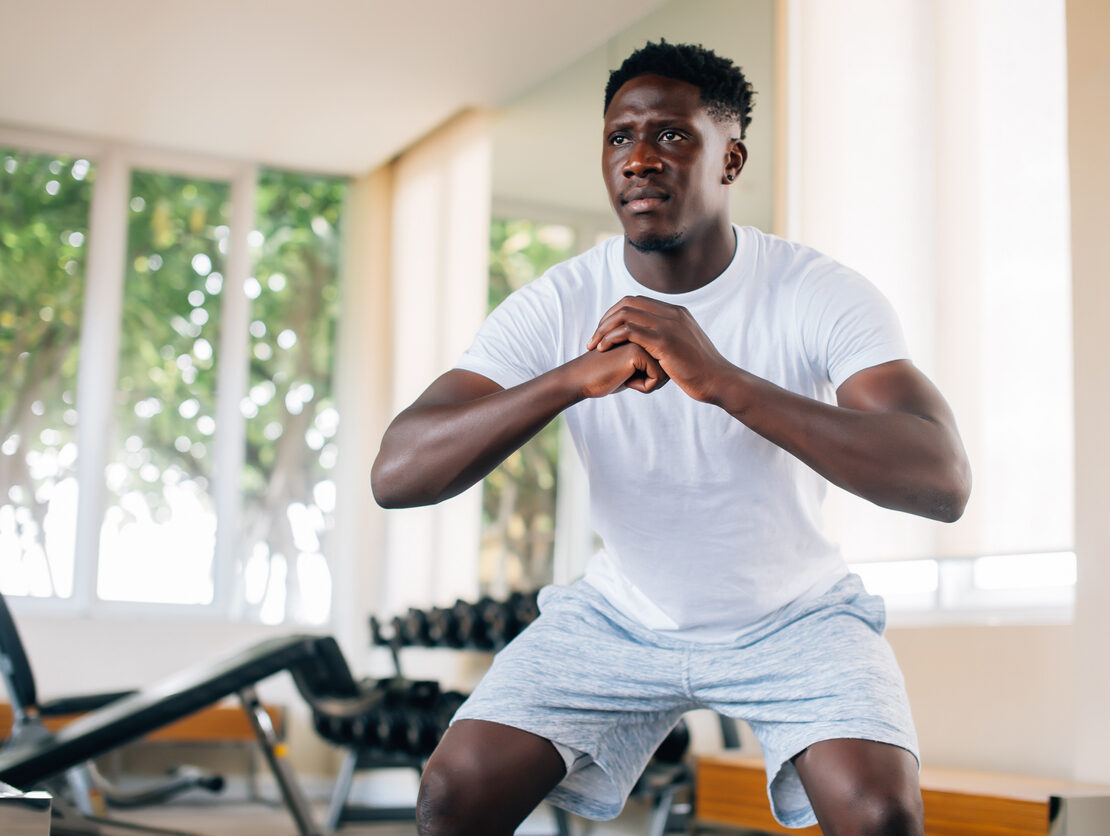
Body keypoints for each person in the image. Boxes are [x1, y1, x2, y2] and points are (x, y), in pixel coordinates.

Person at [372, 40, 970, 836]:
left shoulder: (814, 291)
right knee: (453, 796)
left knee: (879, 812)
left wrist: (721, 379)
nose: (639, 158)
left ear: (730, 159)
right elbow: (397, 473)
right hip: (621, 615)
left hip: (795, 617)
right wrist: (568, 380)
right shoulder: (560, 302)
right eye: (621, 137)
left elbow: (941, 479)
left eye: (672, 135)